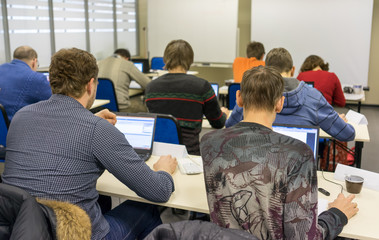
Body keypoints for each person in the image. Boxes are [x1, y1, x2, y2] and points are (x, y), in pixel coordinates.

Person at [2, 48, 178, 240]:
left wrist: (91, 120)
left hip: (25, 229)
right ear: (90, 85)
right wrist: (164, 171)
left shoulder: (21, 117)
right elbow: (159, 191)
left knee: (103, 200)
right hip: (77, 234)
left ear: (51, 81)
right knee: (148, 209)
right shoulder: (97, 130)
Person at [200, 66, 358, 239]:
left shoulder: (209, 142)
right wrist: (337, 215)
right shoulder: (299, 153)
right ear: (280, 103)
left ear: (238, 99)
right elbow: (303, 237)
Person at [225, 48, 355, 142]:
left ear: (265, 68)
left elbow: (230, 127)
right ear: (293, 70)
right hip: (300, 169)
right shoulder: (313, 97)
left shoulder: (252, 92)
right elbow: (347, 135)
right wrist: (338, 121)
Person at [145, 40, 228, 155]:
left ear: (165, 59)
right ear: (190, 60)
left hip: (158, 153)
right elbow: (217, 123)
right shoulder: (202, 86)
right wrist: (224, 113)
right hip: (190, 154)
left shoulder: (150, 88)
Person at [0, 46, 51, 121]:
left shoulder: (1, 68)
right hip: (17, 129)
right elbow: (56, 102)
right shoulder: (36, 78)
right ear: (34, 61)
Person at [97, 48, 151, 112]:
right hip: (121, 107)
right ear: (127, 58)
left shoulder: (99, 63)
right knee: (142, 105)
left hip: (100, 107)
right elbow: (149, 84)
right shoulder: (127, 64)